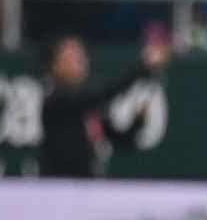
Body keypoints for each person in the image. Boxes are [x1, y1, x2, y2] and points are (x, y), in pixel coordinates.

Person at [39, 35, 169, 178]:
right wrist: (142, 69)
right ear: (55, 64)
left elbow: (120, 139)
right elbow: (100, 96)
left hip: (87, 185)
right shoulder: (54, 98)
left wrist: (137, 121)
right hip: (58, 186)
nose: (80, 62)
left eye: (81, 56)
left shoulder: (87, 106)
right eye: (71, 57)